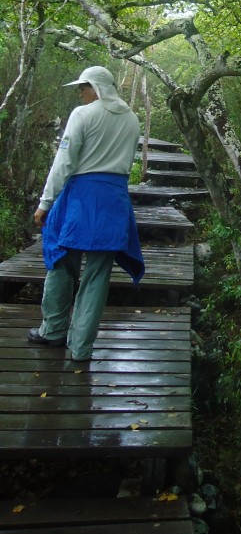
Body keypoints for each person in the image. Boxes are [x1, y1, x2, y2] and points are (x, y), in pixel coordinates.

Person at [28, 65, 145, 362]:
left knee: (60, 259)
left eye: (83, 86)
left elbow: (65, 162)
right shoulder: (133, 119)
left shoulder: (83, 115)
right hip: (114, 200)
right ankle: (81, 349)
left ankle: (53, 330)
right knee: (97, 275)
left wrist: (45, 203)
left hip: (81, 197)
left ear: (97, 87)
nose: (80, 92)